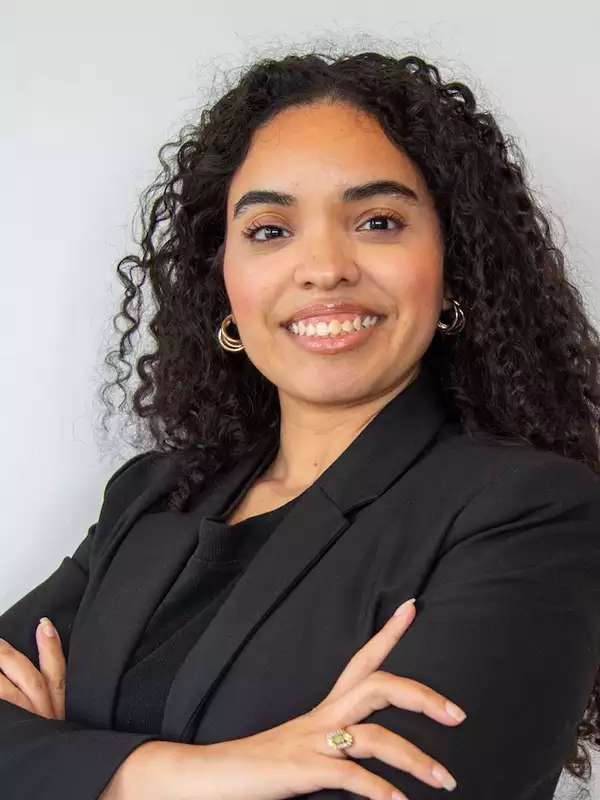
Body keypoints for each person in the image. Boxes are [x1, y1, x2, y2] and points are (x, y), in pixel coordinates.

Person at [1, 49, 599, 800]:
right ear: (223, 280)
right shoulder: (150, 497)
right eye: (269, 230)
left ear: (452, 265)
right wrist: (198, 773)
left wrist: (65, 762)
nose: (323, 267)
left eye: (378, 221)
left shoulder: (528, 512)